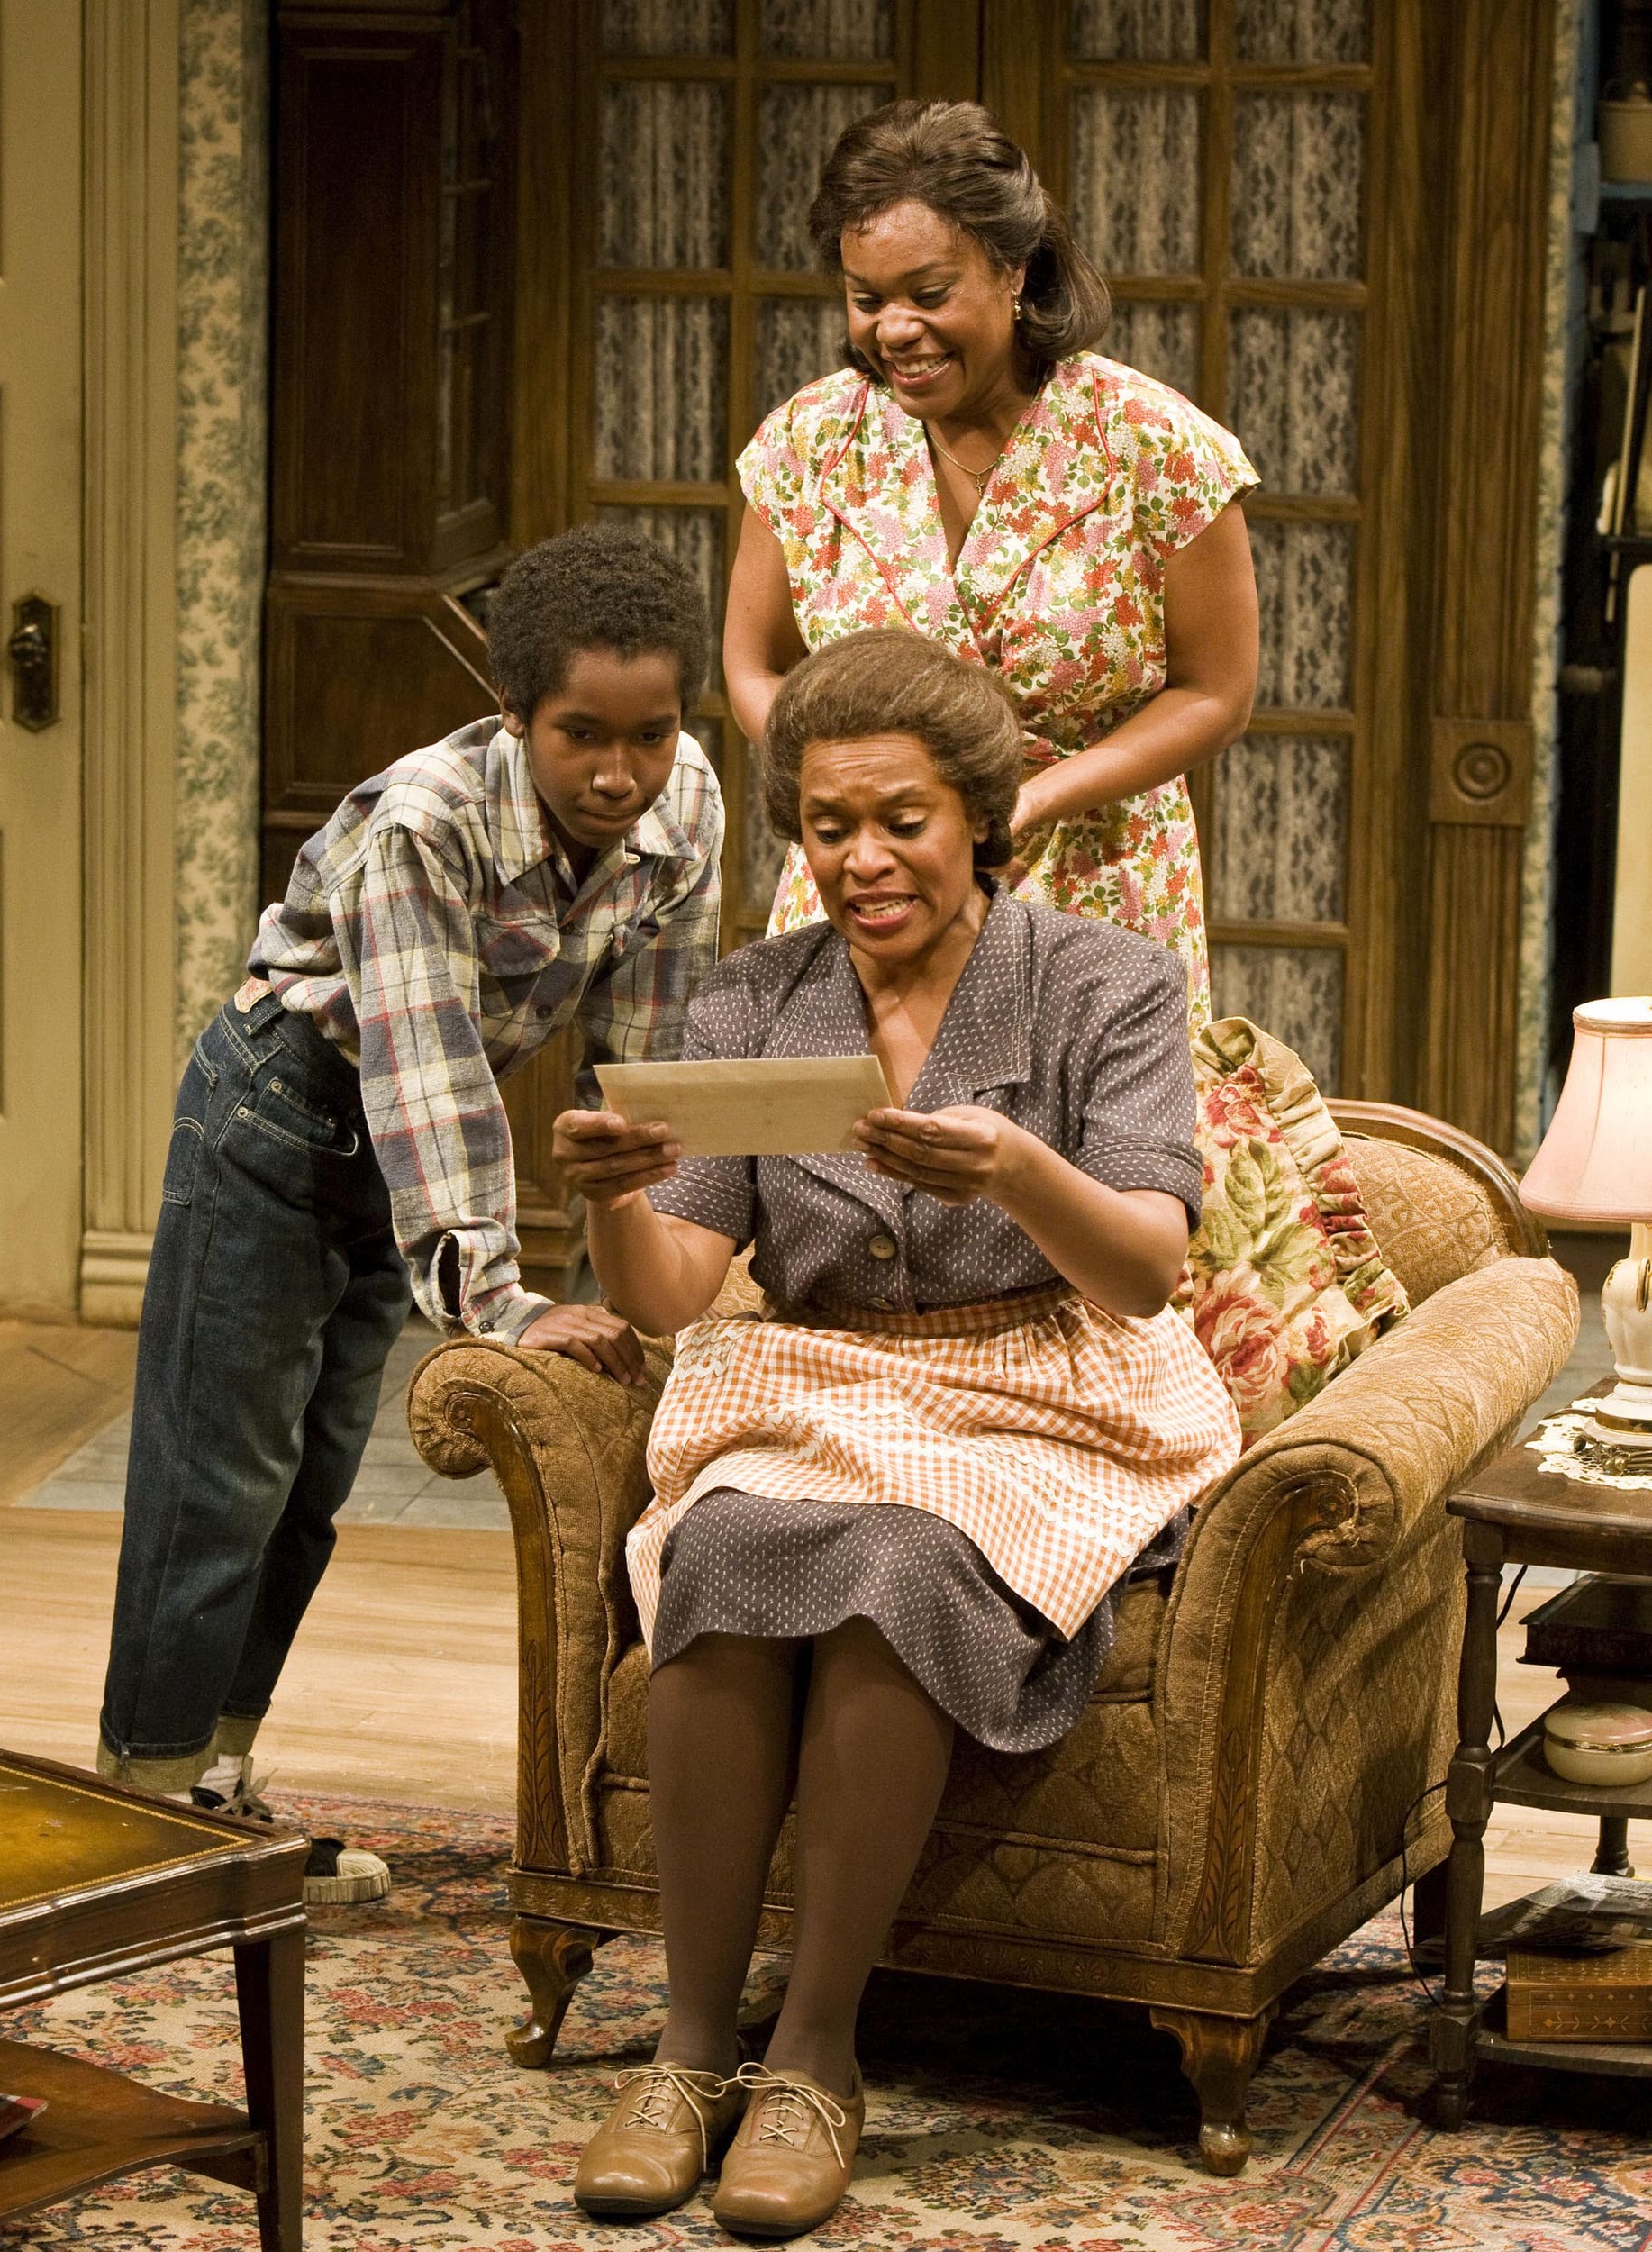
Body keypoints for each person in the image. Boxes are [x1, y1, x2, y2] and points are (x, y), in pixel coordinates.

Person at [553, 631, 1240, 2236]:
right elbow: (671, 1294)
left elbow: (1145, 1270)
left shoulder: (1101, 984)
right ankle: (688, 2046)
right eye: (829, 826)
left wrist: (1016, 1173)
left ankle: (815, 2056)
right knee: (721, 1543)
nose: (863, 861)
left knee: (895, 1561)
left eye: (902, 822)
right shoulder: (758, 1005)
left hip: (1044, 1384)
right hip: (826, 1380)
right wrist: (602, 1203)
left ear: (981, 819)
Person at [98, 525, 723, 1903]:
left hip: (388, 1133)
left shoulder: (684, 815)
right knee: (222, 1482)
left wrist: (641, 1274)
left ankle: (219, 1792)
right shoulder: (424, 825)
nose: (621, 773)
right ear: (515, 717)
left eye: (653, 734)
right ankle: (136, 1828)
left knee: (312, 1488)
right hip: (280, 1111)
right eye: (581, 736)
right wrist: (500, 1303)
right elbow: (430, 1079)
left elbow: (648, 1076)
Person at [723, 98, 1260, 1029]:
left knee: (1073, 1161)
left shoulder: (1152, 445)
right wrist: (855, 796)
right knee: (852, 1158)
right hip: (871, 886)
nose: (893, 329)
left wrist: (1028, 799)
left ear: (1013, 271)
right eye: (866, 297)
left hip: (1089, 880)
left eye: (927, 295)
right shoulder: (806, 443)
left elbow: (1217, 690)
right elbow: (751, 665)